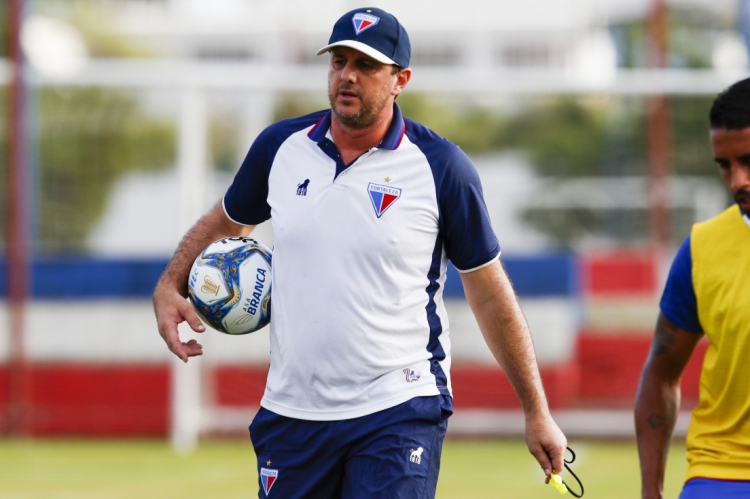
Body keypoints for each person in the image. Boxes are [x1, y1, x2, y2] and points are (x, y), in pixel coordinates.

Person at [153, 7, 567, 498]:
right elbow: (225, 221)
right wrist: (169, 284)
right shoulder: (279, 148)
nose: (347, 75)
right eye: (338, 61)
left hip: (398, 408)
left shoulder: (441, 169)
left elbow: (491, 294)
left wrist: (536, 410)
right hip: (293, 413)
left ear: (400, 79)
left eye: (367, 65)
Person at [635, 77, 750, 499]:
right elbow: (661, 374)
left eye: (749, 162)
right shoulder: (702, 248)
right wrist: (652, 491)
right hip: (722, 475)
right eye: (725, 165)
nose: (737, 180)